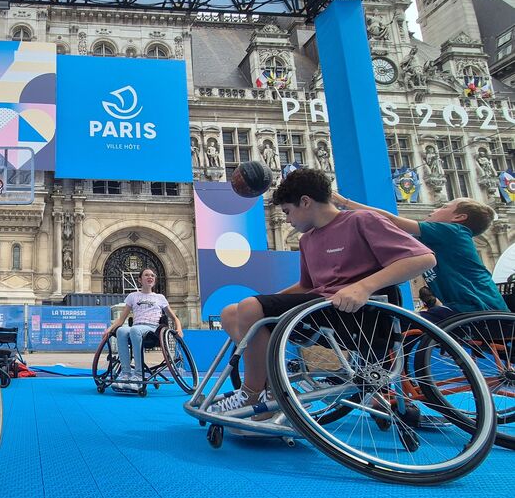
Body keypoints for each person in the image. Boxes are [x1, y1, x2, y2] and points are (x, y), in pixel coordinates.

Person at [211, 168, 436, 414]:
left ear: (305, 202)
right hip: (321, 311)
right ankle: (273, 389)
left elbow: (423, 259)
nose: (287, 220)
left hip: (362, 314)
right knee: (232, 312)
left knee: (250, 307)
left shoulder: (362, 220)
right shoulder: (307, 240)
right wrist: (259, 304)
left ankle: (252, 394)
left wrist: (364, 286)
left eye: (288, 211)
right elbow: (308, 286)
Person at [330, 195, 508, 314]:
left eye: (443, 207)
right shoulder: (440, 237)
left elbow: (391, 220)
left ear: (458, 217)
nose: (434, 210)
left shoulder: (454, 231)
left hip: (477, 309)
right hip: (466, 310)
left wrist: (345, 203)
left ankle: (386, 367)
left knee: (405, 326)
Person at [105, 268, 183, 390]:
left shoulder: (160, 297)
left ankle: (138, 375)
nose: (150, 277)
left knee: (134, 330)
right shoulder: (133, 296)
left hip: (152, 329)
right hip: (136, 326)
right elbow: (121, 319)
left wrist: (179, 328)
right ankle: (125, 373)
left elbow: (174, 318)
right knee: (121, 330)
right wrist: (109, 329)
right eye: (146, 275)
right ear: (140, 279)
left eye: (152, 275)